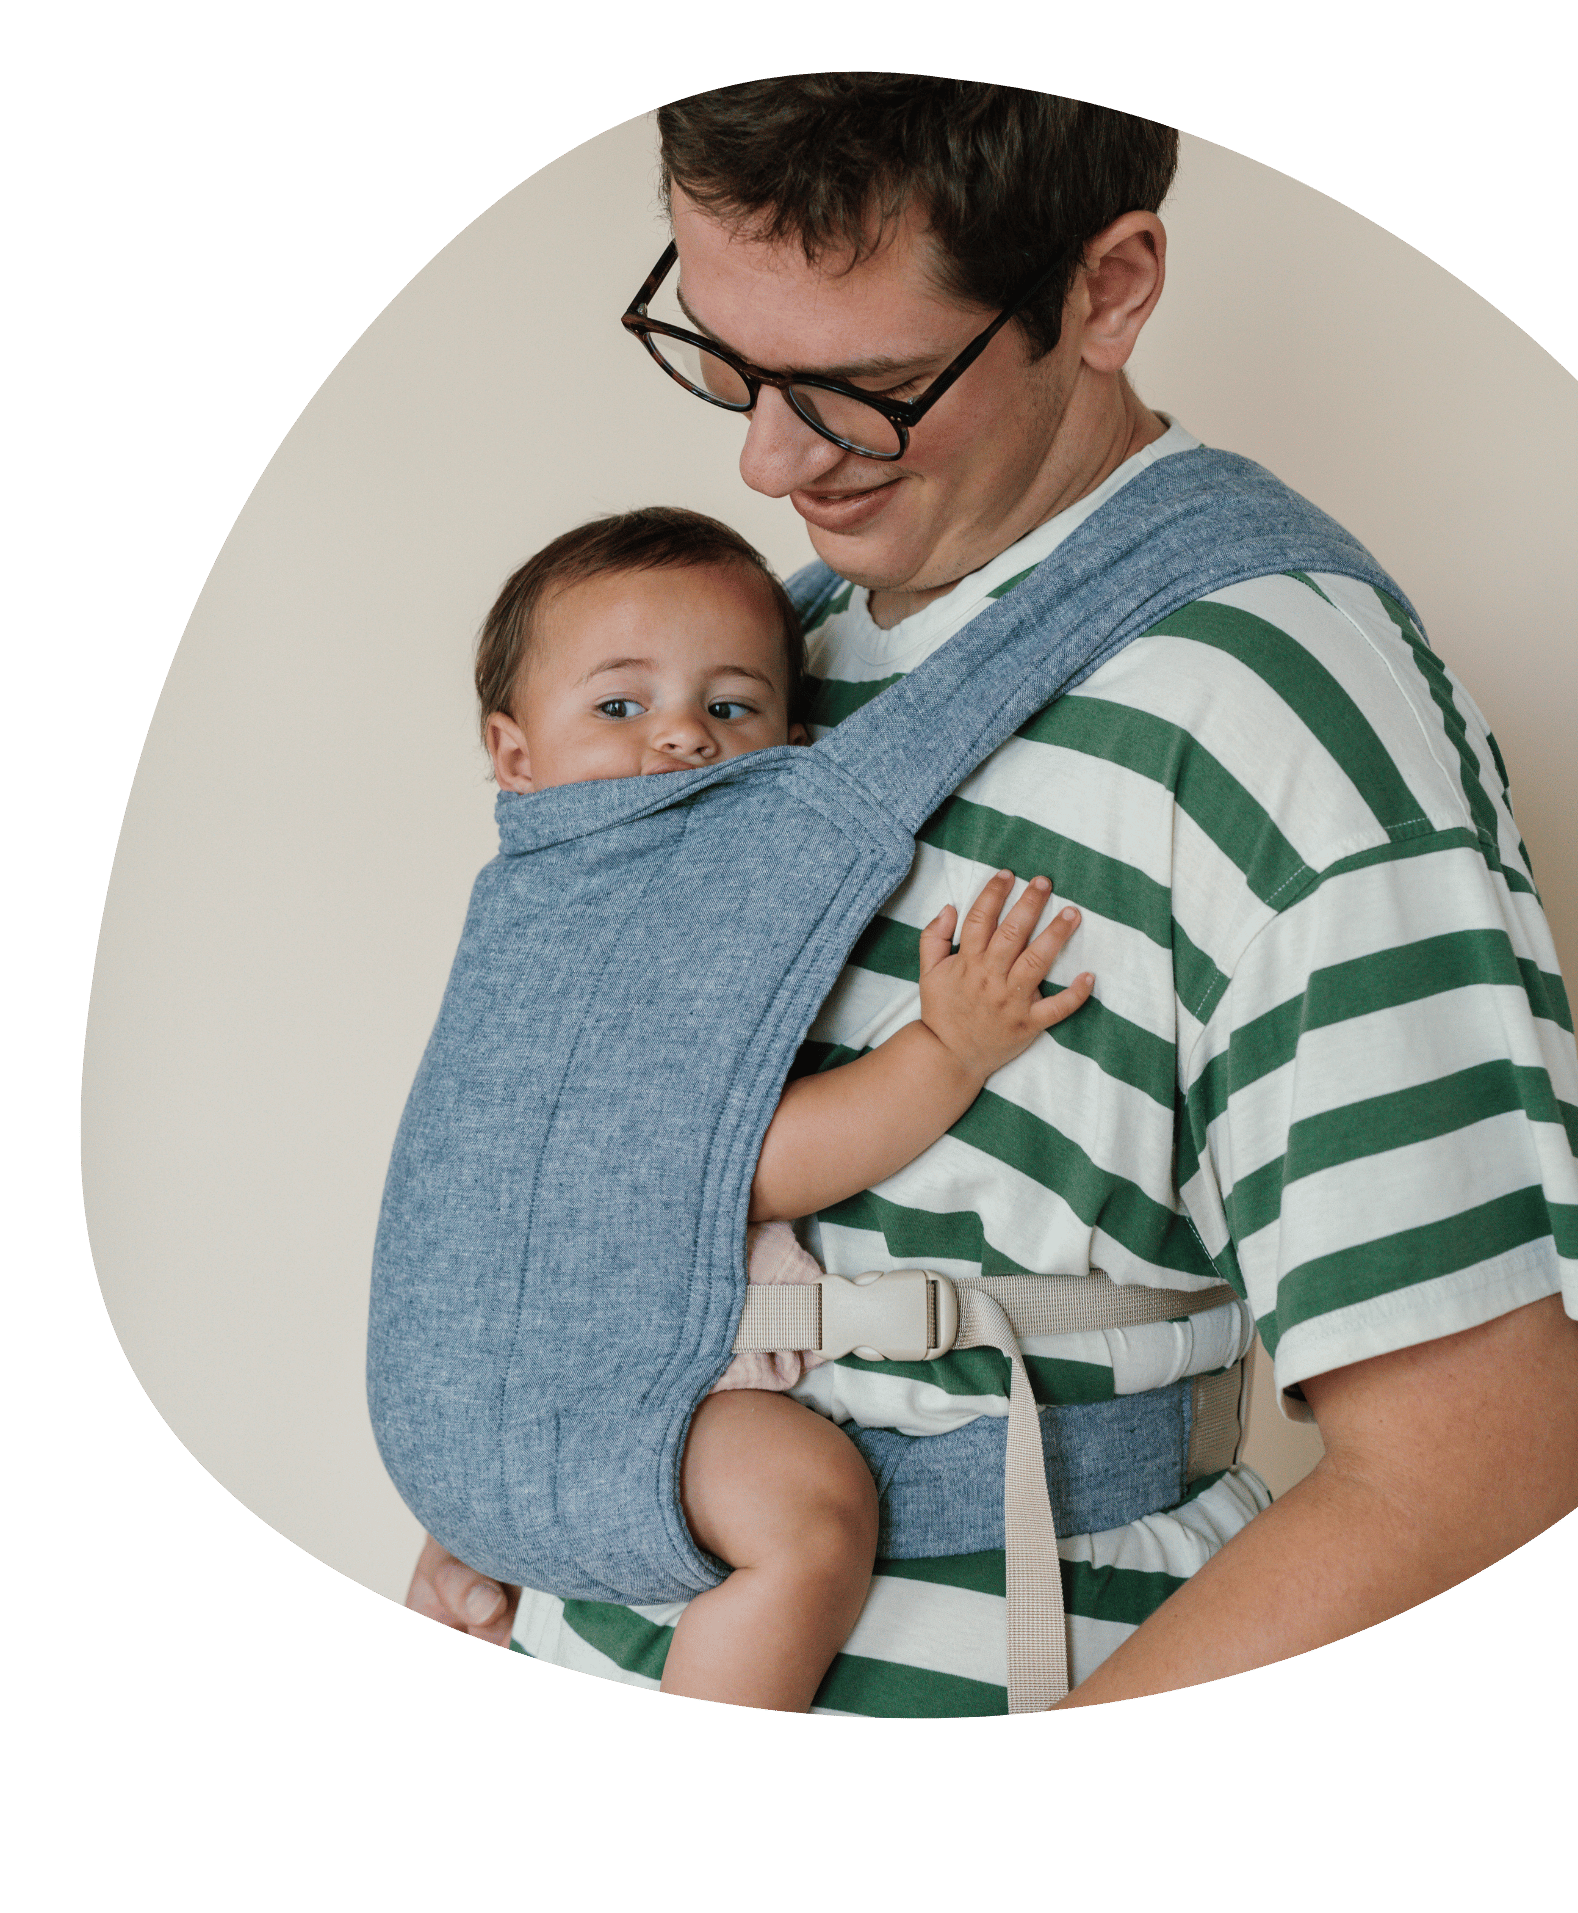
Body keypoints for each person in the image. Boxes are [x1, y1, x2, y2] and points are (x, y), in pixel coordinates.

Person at [408, 76, 1578, 1713]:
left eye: (867, 388)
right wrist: (512, 1480)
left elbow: (1476, 1485)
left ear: (1106, 291)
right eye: (724, 354)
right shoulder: (763, 663)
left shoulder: (1283, 720)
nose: (768, 462)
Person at [446, 504, 1095, 1710]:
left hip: (525, 1389)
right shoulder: (600, 919)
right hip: (598, 1384)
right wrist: (944, 1049)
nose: (683, 737)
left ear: (794, 743)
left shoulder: (573, 909)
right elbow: (720, 1167)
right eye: (621, 707)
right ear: (515, 754)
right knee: (809, 1508)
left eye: (732, 707)